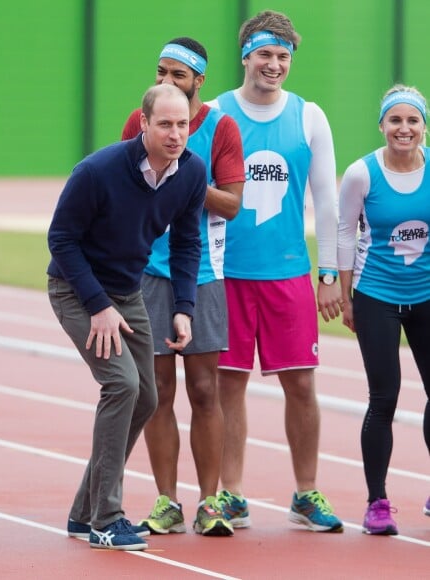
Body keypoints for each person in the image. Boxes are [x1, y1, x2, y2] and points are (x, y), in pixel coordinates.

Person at [47, 83, 206, 551]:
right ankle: (105, 518)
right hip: (77, 289)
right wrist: (97, 306)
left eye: (183, 125)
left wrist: (183, 308)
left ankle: (83, 513)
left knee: (146, 397)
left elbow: (186, 243)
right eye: (165, 124)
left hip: (127, 290)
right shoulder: (98, 171)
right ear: (143, 123)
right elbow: (61, 240)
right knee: (122, 384)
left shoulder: (192, 174)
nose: (175, 134)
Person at [208, 10, 344, 532]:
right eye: (265, 54)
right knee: (227, 386)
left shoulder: (309, 116)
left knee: (303, 386)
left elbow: (327, 202)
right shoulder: (217, 113)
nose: (274, 64)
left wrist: (328, 273)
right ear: (246, 55)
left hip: (287, 274)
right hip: (227, 275)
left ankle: (306, 491)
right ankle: (231, 493)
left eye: (283, 56)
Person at [122, 37, 244, 536]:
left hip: (205, 274)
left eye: (178, 74)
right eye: (161, 72)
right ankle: (166, 501)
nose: (167, 82)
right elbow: (125, 183)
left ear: (199, 81)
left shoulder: (221, 127)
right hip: (147, 272)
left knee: (204, 390)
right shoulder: (139, 119)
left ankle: (210, 501)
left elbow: (233, 204)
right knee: (157, 392)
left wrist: (186, 180)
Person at [338, 84, 430, 535]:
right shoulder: (362, 173)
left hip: (427, 295)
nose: (404, 128)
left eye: (412, 120)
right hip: (376, 295)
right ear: (382, 125)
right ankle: (377, 502)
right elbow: (343, 230)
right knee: (384, 399)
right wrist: (341, 288)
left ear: (424, 127)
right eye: (395, 120)